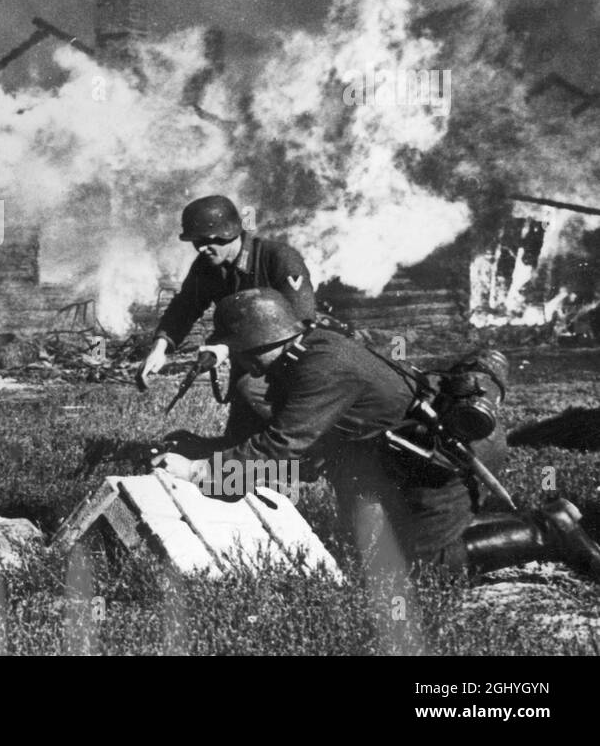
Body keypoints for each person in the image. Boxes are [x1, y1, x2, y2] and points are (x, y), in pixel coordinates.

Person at [159, 289, 600, 581]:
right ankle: (540, 520)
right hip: (411, 463)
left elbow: (280, 448)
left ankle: (548, 531)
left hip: (444, 462)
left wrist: (198, 471)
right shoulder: (310, 350)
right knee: (380, 552)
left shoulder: (320, 368)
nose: (243, 366)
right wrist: (203, 449)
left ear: (258, 342)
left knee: (420, 569)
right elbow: (291, 447)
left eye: (239, 353)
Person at [137, 195, 316, 445]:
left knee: (262, 412)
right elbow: (184, 307)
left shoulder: (278, 258)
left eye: (207, 242)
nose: (200, 249)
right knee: (239, 444)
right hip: (249, 363)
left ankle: (305, 447)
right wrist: (160, 348)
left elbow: (302, 321)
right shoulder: (207, 267)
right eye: (196, 242)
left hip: (296, 362)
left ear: (229, 233)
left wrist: (227, 347)